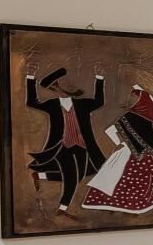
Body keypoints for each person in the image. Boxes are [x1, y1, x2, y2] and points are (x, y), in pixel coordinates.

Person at [25, 67, 107, 212]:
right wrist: (30, 78)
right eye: (63, 82)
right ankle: (63, 208)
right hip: (62, 147)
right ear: (55, 87)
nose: (69, 84)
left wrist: (99, 78)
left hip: (82, 146)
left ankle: (41, 175)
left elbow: (98, 102)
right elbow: (32, 103)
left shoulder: (82, 104)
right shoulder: (52, 104)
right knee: (72, 176)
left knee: (79, 176)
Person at [82, 82, 153, 216]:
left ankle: (114, 205)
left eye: (134, 98)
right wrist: (139, 89)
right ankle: (130, 206)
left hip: (128, 153)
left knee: (118, 178)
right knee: (132, 180)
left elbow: (109, 130)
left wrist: (120, 143)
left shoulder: (130, 117)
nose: (130, 100)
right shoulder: (149, 120)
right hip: (140, 157)